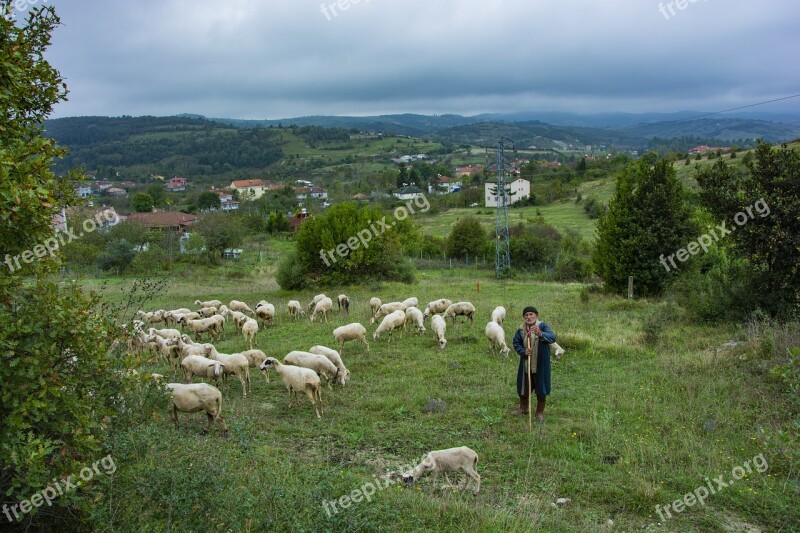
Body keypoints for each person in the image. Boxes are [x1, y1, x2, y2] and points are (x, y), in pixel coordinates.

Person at [511, 306, 556, 421]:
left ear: (536, 315)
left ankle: (539, 412)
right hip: (526, 364)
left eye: (531, 314)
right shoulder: (521, 330)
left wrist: (541, 334)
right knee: (523, 387)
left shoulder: (543, 326)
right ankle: (524, 408)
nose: (528, 317)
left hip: (541, 364)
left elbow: (552, 337)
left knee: (541, 388)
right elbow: (516, 343)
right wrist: (523, 351)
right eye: (526, 315)